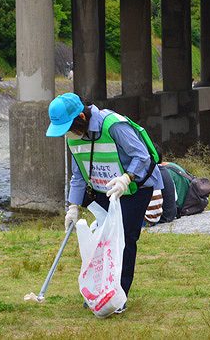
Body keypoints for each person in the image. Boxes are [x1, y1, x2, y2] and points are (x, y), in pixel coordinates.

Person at [46, 92, 163, 314]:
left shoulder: (113, 126)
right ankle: (100, 291)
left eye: (69, 127)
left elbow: (143, 157)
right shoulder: (74, 137)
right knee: (102, 238)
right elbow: (79, 175)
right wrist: (73, 207)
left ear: (81, 117)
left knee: (124, 239)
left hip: (136, 187)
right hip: (105, 189)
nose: (69, 134)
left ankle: (118, 296)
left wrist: (127, 178)